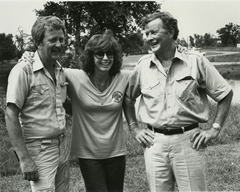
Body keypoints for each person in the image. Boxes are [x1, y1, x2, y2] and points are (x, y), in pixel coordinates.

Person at [123, 11, 233, 191]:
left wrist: (214, 129)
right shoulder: (142, 66)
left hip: (189, 142)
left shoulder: (196, 62)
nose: (148, 38)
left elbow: (225, 93)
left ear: (171, 32)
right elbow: (128, 99)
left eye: (153, 32)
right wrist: (134, 128)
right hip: (154, 144)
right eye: (146, 33)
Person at [5, 16, 71, 191]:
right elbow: (11, 114)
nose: (59, 44)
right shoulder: (23, 70)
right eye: (52, 40)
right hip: (40, 150)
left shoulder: (59, 70)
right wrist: (25, 159)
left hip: (62, 145)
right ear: (38, 42)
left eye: (61, 39)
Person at [63, 29, 129, 192]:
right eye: (100, 54)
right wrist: (28, 57)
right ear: (90, 57)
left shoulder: (124, 77)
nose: (106, 58)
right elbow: (49, 66)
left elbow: (148, 72)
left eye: (110, 54)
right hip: (88, 153)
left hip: (116, 152)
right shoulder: (75, 77)